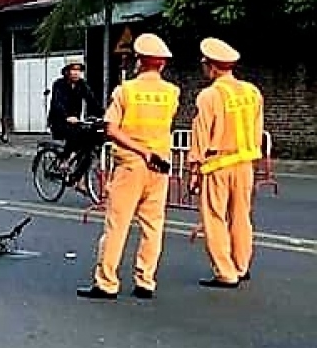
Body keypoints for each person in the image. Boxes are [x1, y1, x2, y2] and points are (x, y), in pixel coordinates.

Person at [78, 33, 178, 301]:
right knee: (153, 225)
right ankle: (145, 281)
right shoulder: (172, 93)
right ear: (162, 64)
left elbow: (111, 129)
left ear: (139, 61)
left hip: (132, 165)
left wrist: (140, 149)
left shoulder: (126, 91)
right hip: (160, 166)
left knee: (117, 225)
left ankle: (107, 283)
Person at [188, 38, 264, 288]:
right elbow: (257, 127)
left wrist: (194, 167)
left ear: (212, 67)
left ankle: (225, 272)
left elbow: (200, 134)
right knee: (241, 216)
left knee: (214, 218)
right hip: (244, 163)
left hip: (216, 164)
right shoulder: (252, 91)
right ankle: (241, 266)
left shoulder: (209, 96)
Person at [49, 61, 101, 183]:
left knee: (89, 146)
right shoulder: (59, 84)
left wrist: (104, 114)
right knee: (75, 134)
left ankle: (78, 179)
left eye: (79, 70)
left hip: (76, 122)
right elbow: (57, 104)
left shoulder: (82, 85)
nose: (76, 73)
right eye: (73, 69)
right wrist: (67, 116)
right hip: (59, 121)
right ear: (67, 71)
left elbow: (92, 101)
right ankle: (64, 159)